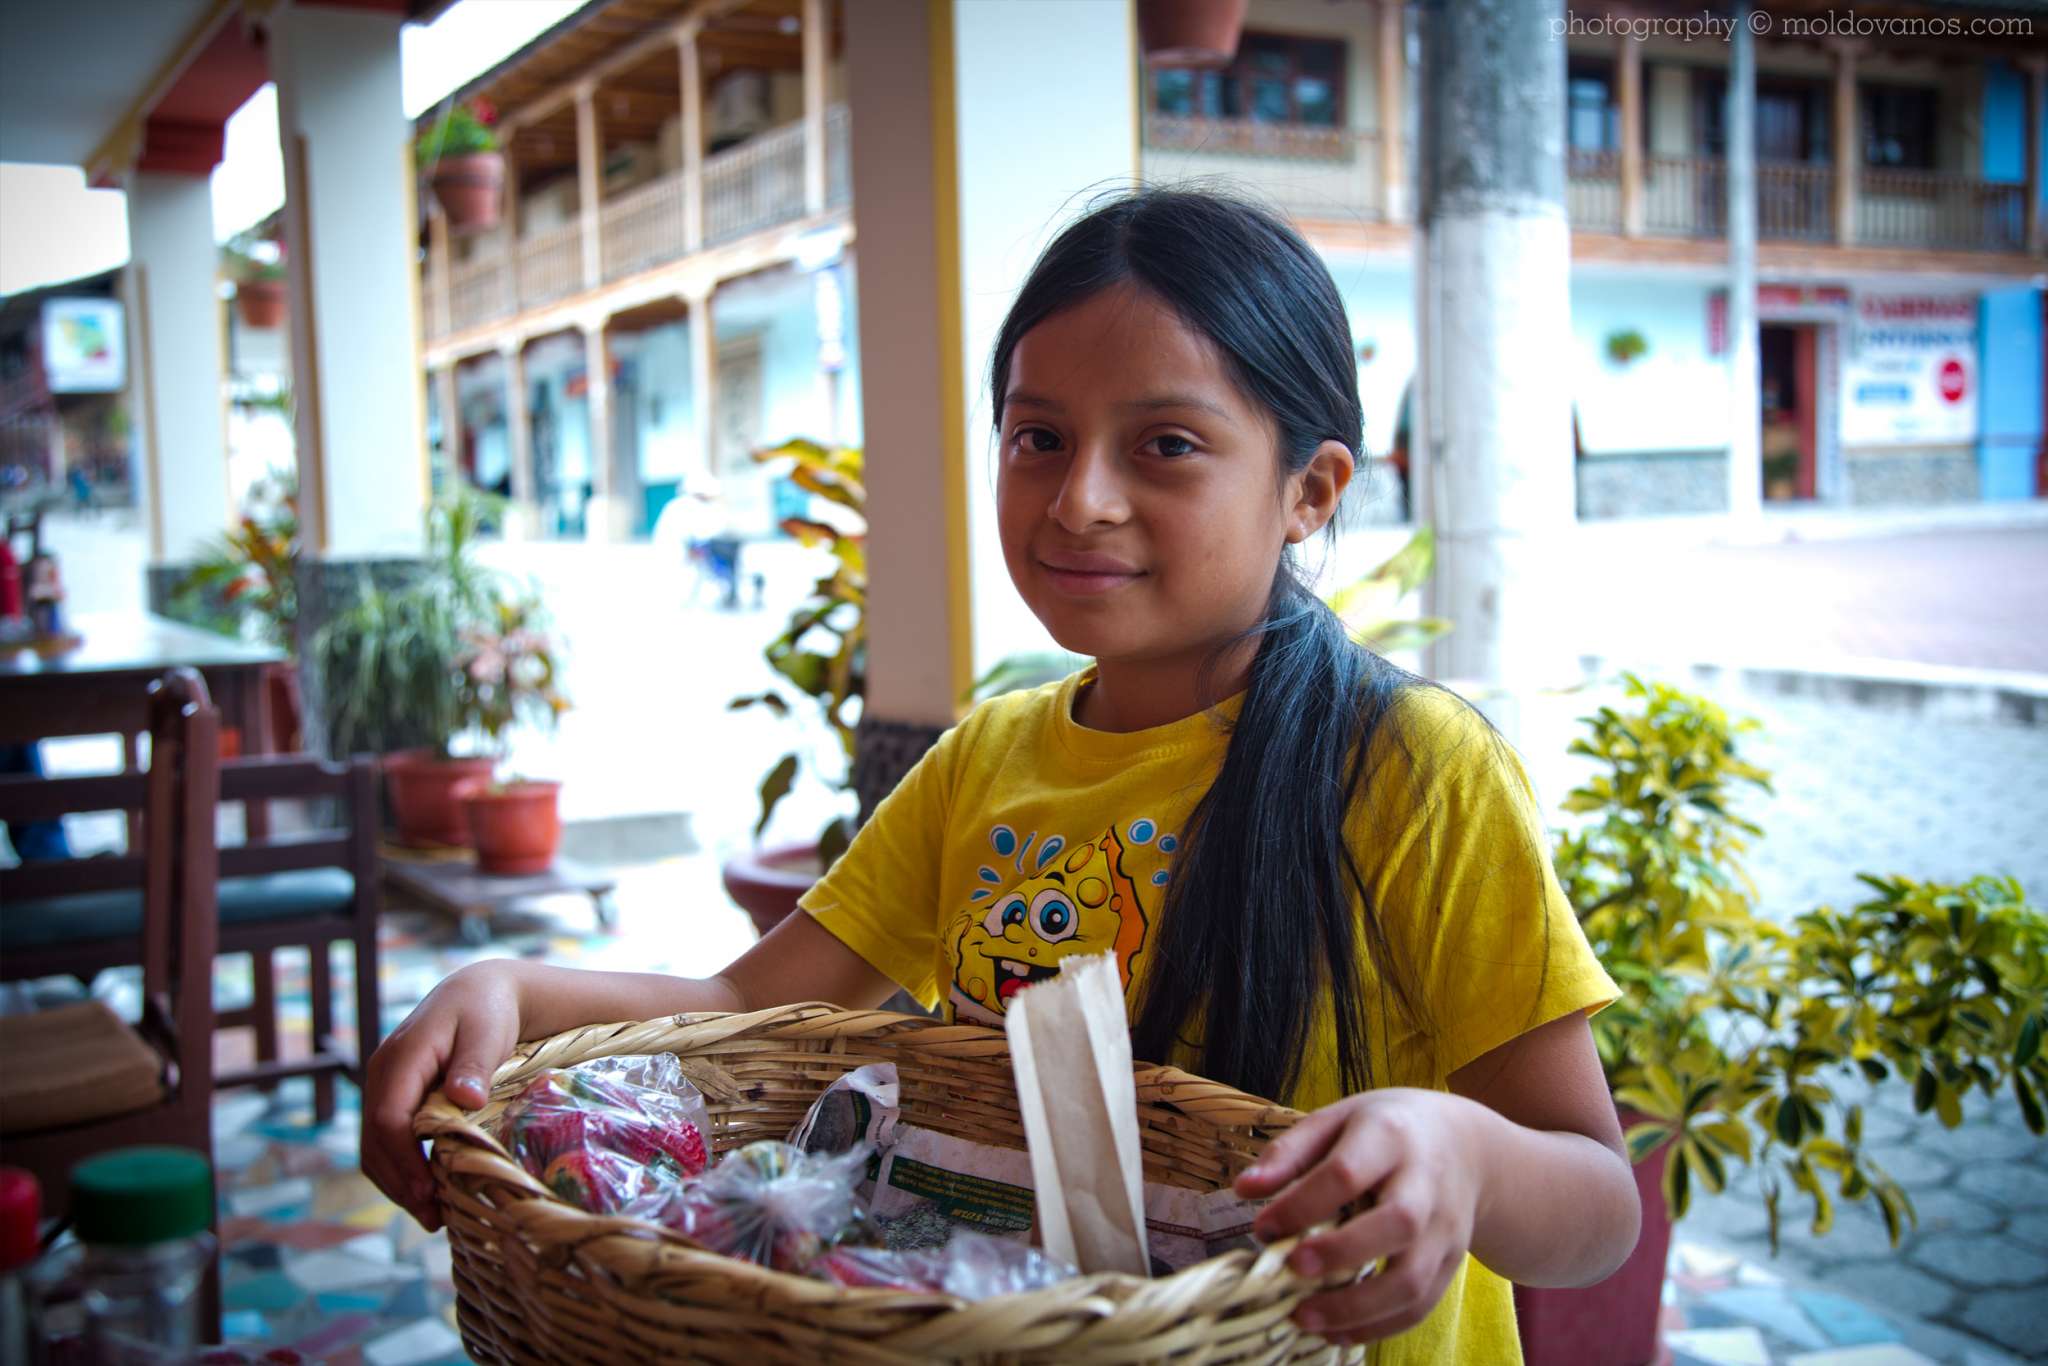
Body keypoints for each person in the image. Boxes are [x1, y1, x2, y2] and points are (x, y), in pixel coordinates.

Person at [362, 189, 1638, 1360]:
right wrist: (509, 986)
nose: (1079, 499)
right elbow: (739, 999)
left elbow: (1595, 1206)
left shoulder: (1409, 769)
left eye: (1166, 446)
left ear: (1308, 491)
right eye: (1038, 435)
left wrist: (1460, 1152)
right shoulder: (986, 757)